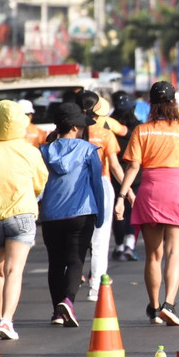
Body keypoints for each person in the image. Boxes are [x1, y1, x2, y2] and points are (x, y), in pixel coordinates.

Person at [114, 81, 179, 326]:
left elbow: (133, 166)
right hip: (177, 191)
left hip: (150, 191)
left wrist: (121, 197)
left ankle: (154, 308)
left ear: (151, 104)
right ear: (174, 102)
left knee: (153, 256)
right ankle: (170, 304)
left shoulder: (142, 131)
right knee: (174, 253)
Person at [0, 100, 49, 340]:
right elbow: (40, 181)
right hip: (22, 215)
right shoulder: (29, 150)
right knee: (14, 270)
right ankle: (7, 321)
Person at [39, 103, 105, 328]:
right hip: (82, 212)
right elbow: (97, 183)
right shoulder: (88, 150)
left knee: (55, 263)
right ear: (77, 127)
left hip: (50, 214)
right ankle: (68, 300)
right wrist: (101, 214)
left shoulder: (45, 150)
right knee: (76, 259)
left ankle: (57, 311)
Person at [77, 91, 126, 302]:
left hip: (76, 186)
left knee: (78, 237)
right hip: (102, 185)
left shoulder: (73, 131)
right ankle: (95, 286)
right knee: (100, 239)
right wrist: (127, 190)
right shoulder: (105, 134)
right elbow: (114, 166)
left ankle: (68, 290)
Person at [109, 92, 140, 261]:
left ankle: (119, 245)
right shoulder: (139, 128)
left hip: (115, 174)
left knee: (118, 211)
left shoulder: (110, 128)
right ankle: (130, 244)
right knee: (132, 210)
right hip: (135, 174)